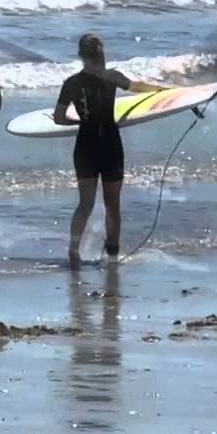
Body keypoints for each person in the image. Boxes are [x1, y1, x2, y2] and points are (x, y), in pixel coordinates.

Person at [53, 33, 163, 267]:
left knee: (85, 203)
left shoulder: (71, 83)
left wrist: (78, 122)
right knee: (112, 202)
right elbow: (137, 87)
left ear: (81, 56)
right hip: (110, 142)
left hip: (85, 144)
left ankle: (73, 252)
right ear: (101, 53)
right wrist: (162, 90)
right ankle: (113, 251)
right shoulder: (112, 76)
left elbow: (58, 118)